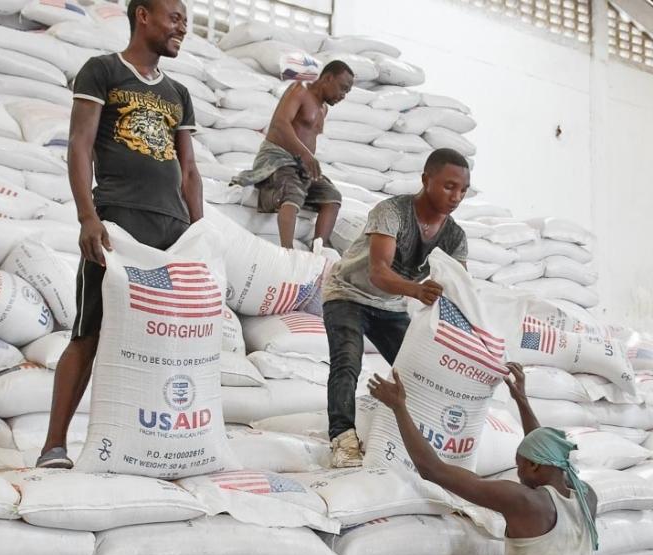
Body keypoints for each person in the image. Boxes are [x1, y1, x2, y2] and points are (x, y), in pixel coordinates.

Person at [37, 0, 201, 468]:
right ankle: (53, 445)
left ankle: (147, 446)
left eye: (185, 21)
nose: (181, 28)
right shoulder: (102, 71)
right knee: (90, 330)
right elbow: (80, 144)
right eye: (175, 18)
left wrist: (199, 233)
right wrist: (88, 216)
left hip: (171, 229)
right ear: (143, 15)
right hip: (118, 223)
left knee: (162, 340)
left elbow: (189, 170)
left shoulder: (178, 92)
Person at [369, 363, 598, 555]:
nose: (518, 475)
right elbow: (544, 450)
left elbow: (432, 470)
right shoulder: (587, 496)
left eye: (519, 467)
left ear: (534, 464)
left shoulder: (525, 502)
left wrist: (398, 407)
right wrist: (521, 400)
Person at [323, 148, 470, 467]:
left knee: (421, 370)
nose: (456, 196)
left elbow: (460, 289)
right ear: (425, 180)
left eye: (463, 190)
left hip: (389, 305)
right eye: (448, 186)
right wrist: (417, 291)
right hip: (347, 293)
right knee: (348, 360)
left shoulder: (455, 236)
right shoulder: (392, 212)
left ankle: (414, 437)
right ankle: (343, 438)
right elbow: (378, 272)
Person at [231, 61, 354, 249]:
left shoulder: (323, 109)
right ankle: (287, 252)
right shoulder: (300, 89)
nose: (343, 96)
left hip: (300, 165)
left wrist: (306, 160)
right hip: (277, 157)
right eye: (343, 88)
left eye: (347, 92)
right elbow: (280, 124)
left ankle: (320, 247)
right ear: (328, 78)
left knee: (332, 195)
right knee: (293, 191)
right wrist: (305, 155)